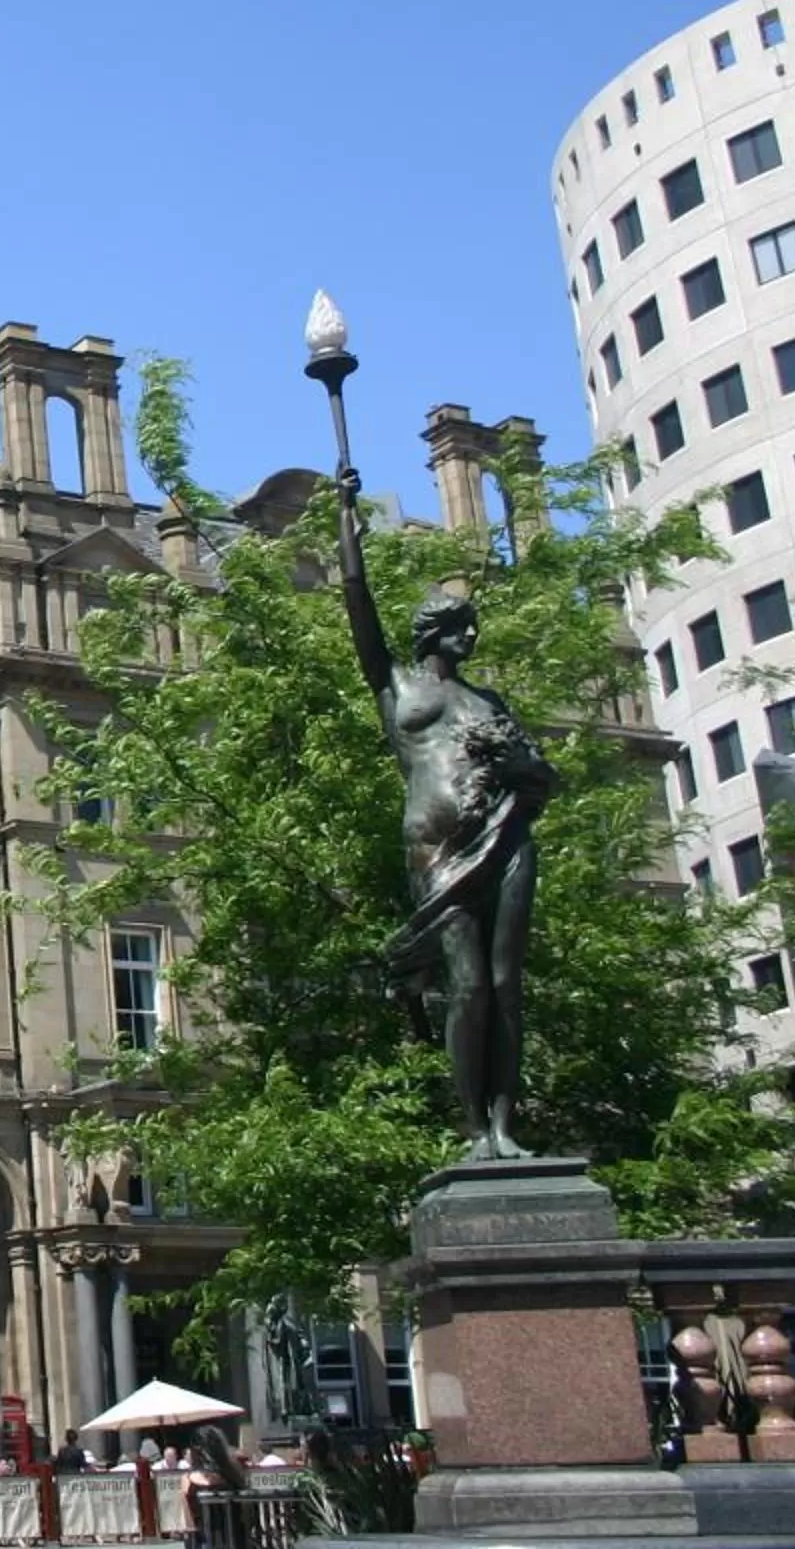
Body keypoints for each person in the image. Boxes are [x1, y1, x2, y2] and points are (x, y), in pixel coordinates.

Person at [338, 466, 557, 1162]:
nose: (471, 637)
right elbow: (357, 603)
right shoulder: (396, 687)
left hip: (507, 841)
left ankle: (505, 1126)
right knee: (467, 987)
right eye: (461, 628)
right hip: (440, 854)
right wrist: (346, 519)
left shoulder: (490, 702)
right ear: (432, 632)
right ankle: (473, 1130)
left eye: (472, 628)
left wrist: (517, 765)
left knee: (506, 986)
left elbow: (545, 778)